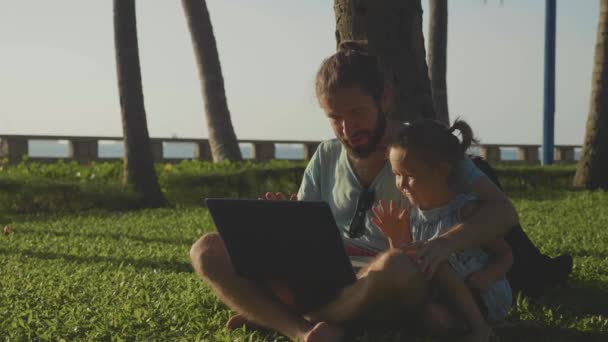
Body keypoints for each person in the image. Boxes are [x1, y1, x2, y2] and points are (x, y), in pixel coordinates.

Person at [189, 40, 570, 341]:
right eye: (334, 118)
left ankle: (281, 317)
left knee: (398, 264)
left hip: (391, 282)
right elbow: (307, 230)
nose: (346, 128)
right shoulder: (325, 156)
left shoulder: (420, 149)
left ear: (383, 98)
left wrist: (445, 243)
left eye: (355, 112)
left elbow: (502, 212)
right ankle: (304, 331)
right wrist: (281, 220)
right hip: (326, 278)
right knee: (206, 249)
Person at [371, 119, 513, 340]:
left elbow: (505, 254)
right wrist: (394, 236)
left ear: (441, 171)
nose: (402, 184)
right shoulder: (410, 214)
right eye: (397, 175)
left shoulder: (464, 211)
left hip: (480, 294)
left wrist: (488, 275)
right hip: (441, 297)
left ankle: (480, 328)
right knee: (433, 317)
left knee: (432, 259)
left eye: (410, 176)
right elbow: (405, 264)